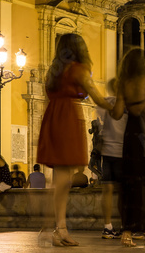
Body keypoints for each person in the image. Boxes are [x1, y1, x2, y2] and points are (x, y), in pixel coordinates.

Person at [36, 32, 115, 246]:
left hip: (53, 116)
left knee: (62, 178)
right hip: (67, 118)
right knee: (63, 180)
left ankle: (58, 228)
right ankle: (52, 226)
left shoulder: (54, 73)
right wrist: (118, 107)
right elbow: (97, 97)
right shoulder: (78, 70)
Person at [111, 47, 145, 248]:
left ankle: (126, 233)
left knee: (128, 184)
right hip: (141, 135)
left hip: (128, 136)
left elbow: (117, 113)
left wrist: (110, 106)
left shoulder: (124, 84)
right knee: (142, 185)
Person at [96, 78, 127, 239]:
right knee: (122, 191)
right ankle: (124, 226)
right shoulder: (127, 105)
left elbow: (100, 121)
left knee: (107, 190)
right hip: (121, 152)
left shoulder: (103, 104)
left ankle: (107, 226)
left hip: (107, 151)